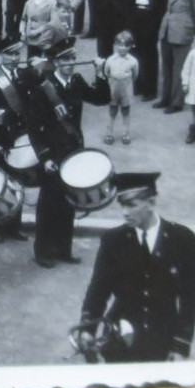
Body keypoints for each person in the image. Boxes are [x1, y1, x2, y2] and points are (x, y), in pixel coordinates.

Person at [77, 172, 195, 363]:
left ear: (151, 203)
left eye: (131, 205)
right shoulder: (113, 240)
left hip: (162, 339)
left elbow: (189, 298)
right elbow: (98, 291)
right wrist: (87, 329)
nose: (124, 212)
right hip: (119, 340)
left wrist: (181, 345)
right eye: (122, 205)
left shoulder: (182, 239)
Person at [26, 27, 111, 268]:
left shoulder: (76, 81)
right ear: (54, 62)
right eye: (64, 60)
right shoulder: (45, 89)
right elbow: (33, 127)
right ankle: (43, 251)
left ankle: (63, 249)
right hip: (52, 155)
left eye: (72, 58)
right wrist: (44, 157)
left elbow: (100, 98)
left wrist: (100, 73)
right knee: (48, 204)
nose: (70, 63)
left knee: (68, 203)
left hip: (73, 150)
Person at [102, 31, 139, 144]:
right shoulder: (110, 60)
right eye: (120, 45)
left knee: (125, 112)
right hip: (113, 88)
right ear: (115, 45)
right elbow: (106, 72)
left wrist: (127, 83)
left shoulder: (133, 61)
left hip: (126, 89)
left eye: (126, 46)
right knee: (112, 112)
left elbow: (135, 75)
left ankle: (126, 134)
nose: (123, 48)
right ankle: (109, 134)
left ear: (130, 46)